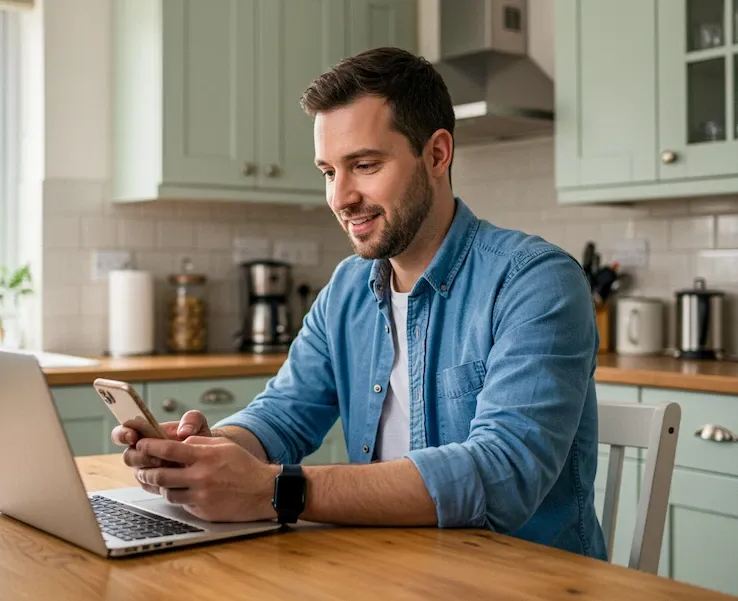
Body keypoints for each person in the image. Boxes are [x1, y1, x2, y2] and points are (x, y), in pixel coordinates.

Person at [111, 46, 608, 560]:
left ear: (437, 155)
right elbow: (283, 416)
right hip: (388, 568)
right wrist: (205, 455)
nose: (341, 197)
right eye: (329, 172)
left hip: (524, 579)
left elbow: (502, 472)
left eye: (364, 165)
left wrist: (276, 490)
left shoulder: (534, 281)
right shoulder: (349, 288)